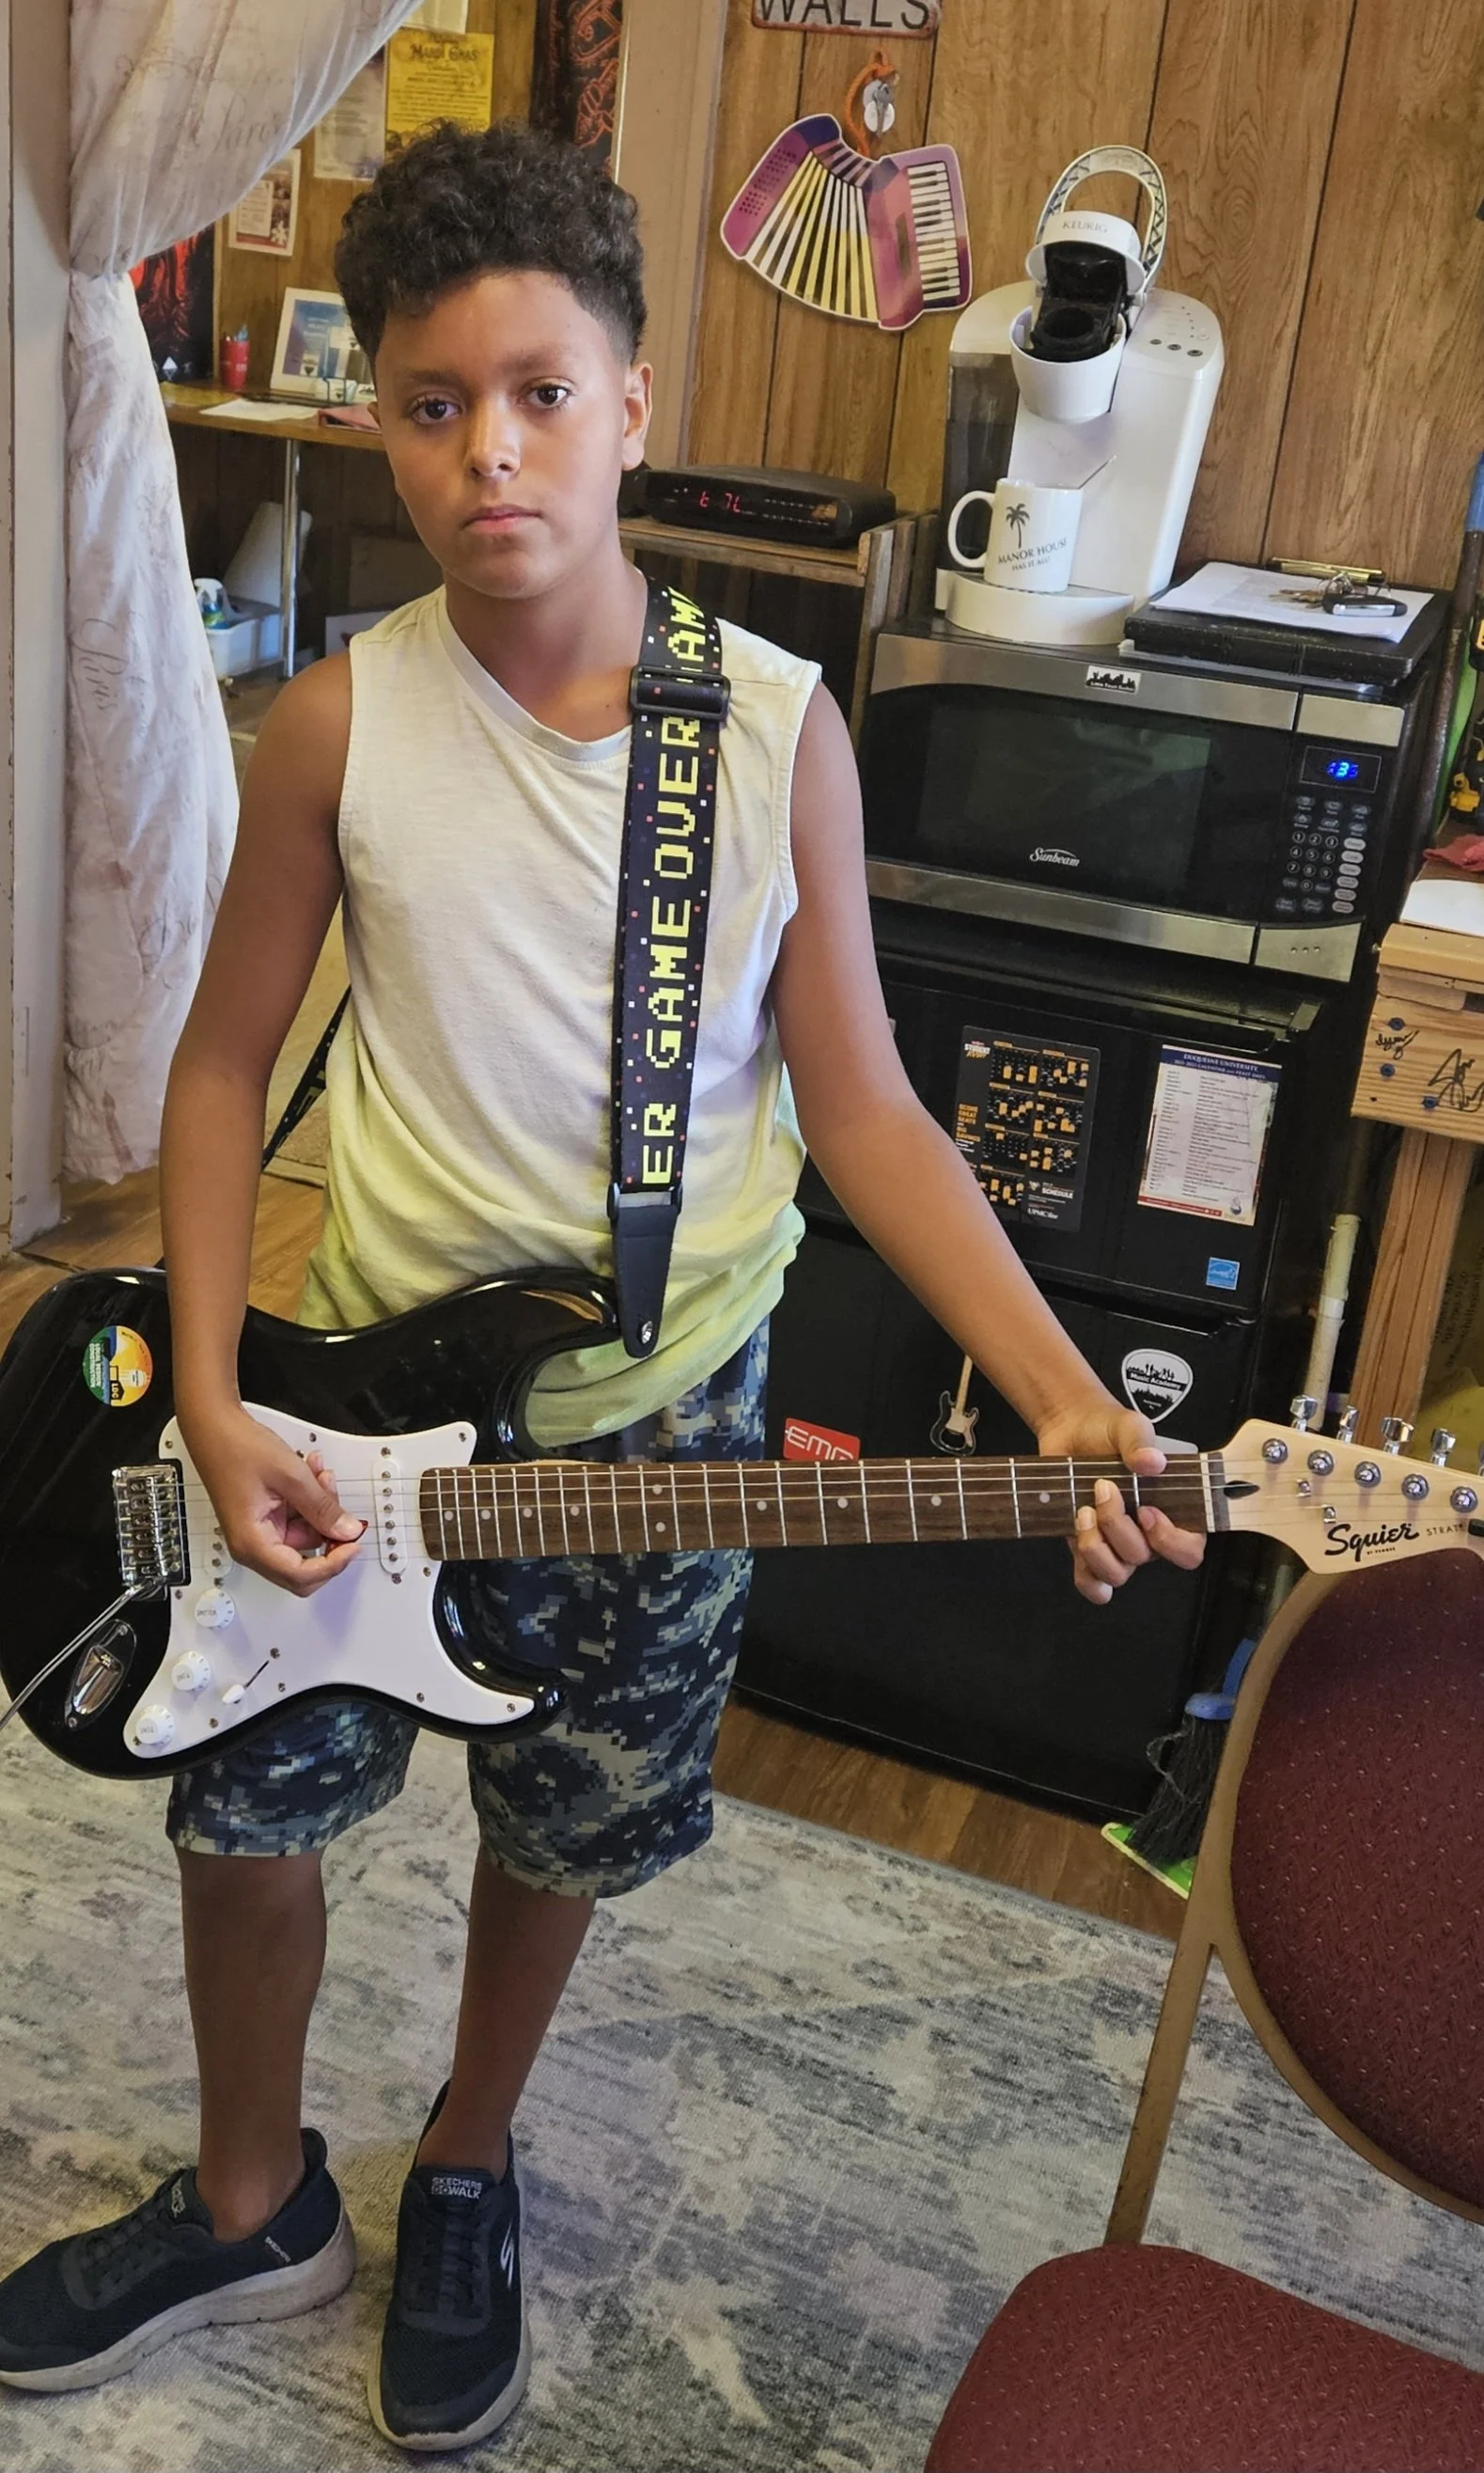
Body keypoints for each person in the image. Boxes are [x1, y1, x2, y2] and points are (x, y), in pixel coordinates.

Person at [0, 122, 1204, 2450]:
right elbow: (227, 1065)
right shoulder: (339, 721)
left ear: (635, 405)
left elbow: (863, 1105)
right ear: (383, 423)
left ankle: (466, 2158)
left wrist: (1057, 1386)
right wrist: (223, 1392)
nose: (490, 454)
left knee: (560, 1827)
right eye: (434, 403)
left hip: (666, 1420)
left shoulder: (769, 737)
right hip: (349, 1407)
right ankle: (257, 2196)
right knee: (243, 1815)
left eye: (542, 391)